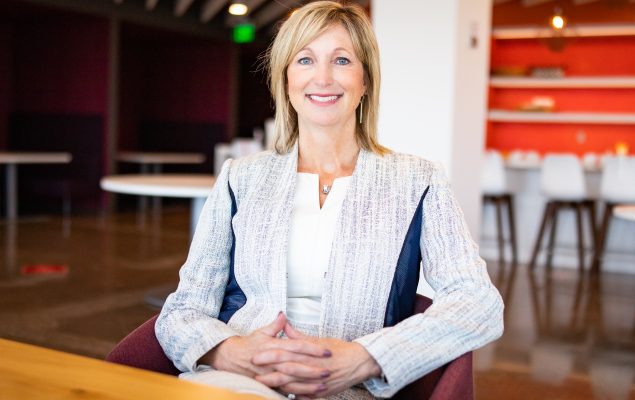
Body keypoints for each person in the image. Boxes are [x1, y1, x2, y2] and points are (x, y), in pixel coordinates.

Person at [155, 2, 504, 399]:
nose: (322, 78)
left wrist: (365, 358)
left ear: (365, 80)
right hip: (238, 382)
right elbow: (182, 311)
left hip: (350, 388)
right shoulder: (241, 178)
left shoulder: (419, 181)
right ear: (286, 78)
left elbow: (479, 302)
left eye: (341, 60)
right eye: (305, 60)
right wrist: (232, 353)